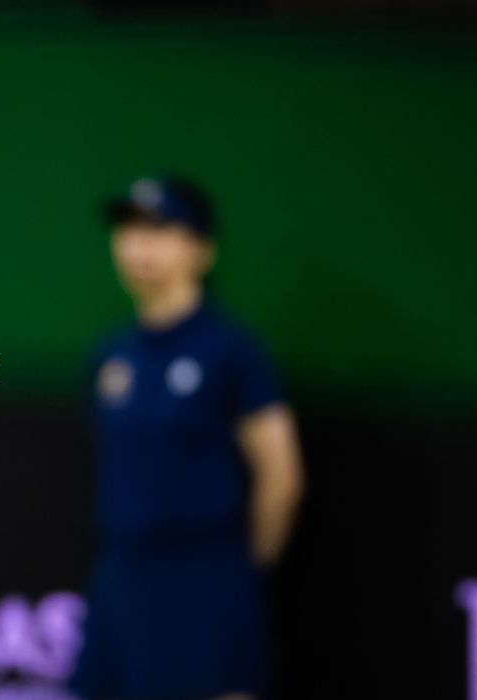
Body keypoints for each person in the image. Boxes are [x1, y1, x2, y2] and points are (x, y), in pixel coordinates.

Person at [71, 176, 304, 700]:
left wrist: (234, 575)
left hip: (206, 577)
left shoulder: (232, 352)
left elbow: (281, 476)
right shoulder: (112, 357)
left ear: (201, 249)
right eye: (129, 230)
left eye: (160, 229)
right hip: (122, 577)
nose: (139, 245)